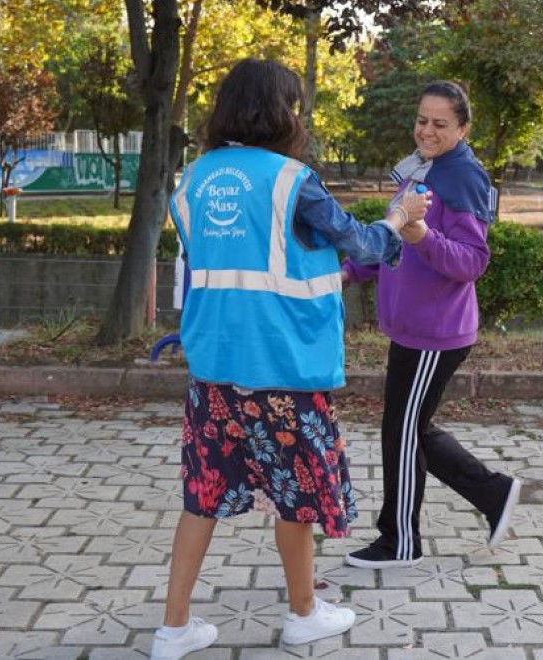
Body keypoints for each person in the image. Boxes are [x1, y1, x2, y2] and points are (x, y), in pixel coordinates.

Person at [153, 59, 430, 660]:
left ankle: (173, 630)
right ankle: (303, 614)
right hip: (284, 371)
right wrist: (400, 217)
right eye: (295, 105)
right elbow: (361, 244)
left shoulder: (193, 179)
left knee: (200, 496)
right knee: (298, 496)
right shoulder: (291, 180)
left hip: (212, 369)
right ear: (280, 111)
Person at [342, 80, 521, 570]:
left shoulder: (463, 177)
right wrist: (351, 271)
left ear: (462, 128)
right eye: (422, 120)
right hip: (410, 328)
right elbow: (395, 240)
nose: (427, 130)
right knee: (410, 428)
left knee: (400, 430)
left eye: (440, 123)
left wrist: (423, 233)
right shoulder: (421, 168)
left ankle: (400, 541)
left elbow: (472, 262)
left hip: (436, 333)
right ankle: (493, 493)